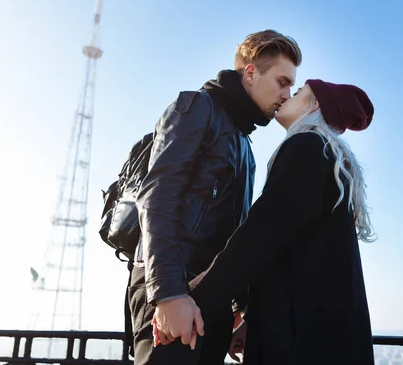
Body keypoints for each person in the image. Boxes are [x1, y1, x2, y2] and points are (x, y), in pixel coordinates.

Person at [154, 78, 377, 364]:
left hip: (303, 340)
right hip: (325, 332)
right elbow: (288, 250)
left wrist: (187, 300)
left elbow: (257, 239)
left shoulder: (307, 147)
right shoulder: (328, 157)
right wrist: (253, 317)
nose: (287, 97)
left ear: (314, 104)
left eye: (297, 92)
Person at [128, 29, 303, 365]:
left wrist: (238, 309)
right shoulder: (198, 108)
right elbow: (157, 195)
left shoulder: (244, 145)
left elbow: (237, 234)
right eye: (282, 82)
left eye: (292, 87)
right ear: (251, 73)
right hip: (172, 285)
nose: (287, 94)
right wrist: (168, 294)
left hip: (210, 299)